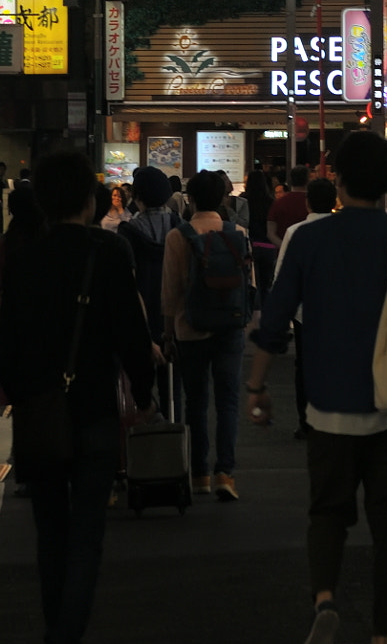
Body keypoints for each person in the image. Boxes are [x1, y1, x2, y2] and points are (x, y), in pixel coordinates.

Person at [247, 130, 387, 644]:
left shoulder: (309, 239)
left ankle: (326, 600)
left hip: (327, 408)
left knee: (327, 513)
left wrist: (257, 388)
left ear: (336, 178)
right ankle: (383, 640)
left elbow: (275, 317)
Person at [0, 149, 155, 644]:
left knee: (49, 530)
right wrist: (146, 389)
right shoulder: (107, 251)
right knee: (87, 530)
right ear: (89, 201)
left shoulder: (20, 256)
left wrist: (20, 394)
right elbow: (131, 331)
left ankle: (55, 633)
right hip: (92, 408)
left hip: (41, 411)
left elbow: (6, 339)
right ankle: (66, 642)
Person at [162, 168, 252, 503]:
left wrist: (168, 333)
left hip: (191, 328)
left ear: (191, 198)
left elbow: (170, 290)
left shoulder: (178, 236)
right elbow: (249, 283)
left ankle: (198, 473)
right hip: (229, 327)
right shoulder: (236, 232)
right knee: (228, 402)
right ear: (223, 198)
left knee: (195, 402)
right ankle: (224, 473)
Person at [0, 184, 43, 491]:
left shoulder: (4, 245)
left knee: (21, 405)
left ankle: (25, 474)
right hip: (44, 328)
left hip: (12, 329)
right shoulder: (48, 241)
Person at [271, 174, 337, 439]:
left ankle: (306, 422)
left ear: (308, 203)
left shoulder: (295, 232)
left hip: (304, 311)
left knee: (305, 366)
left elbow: (283, 275)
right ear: (334, 202)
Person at [116, 165, 173, 342]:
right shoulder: (179, 226)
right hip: (175, 314)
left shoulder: (127, 232)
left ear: (136, 196)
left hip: (141, 314)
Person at [268, 162, 310, 244]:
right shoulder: (312, 202)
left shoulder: (278, 203)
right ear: (307, 180)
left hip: (283, 252)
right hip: (309, 251)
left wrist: (284, 247)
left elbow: (270, 233)